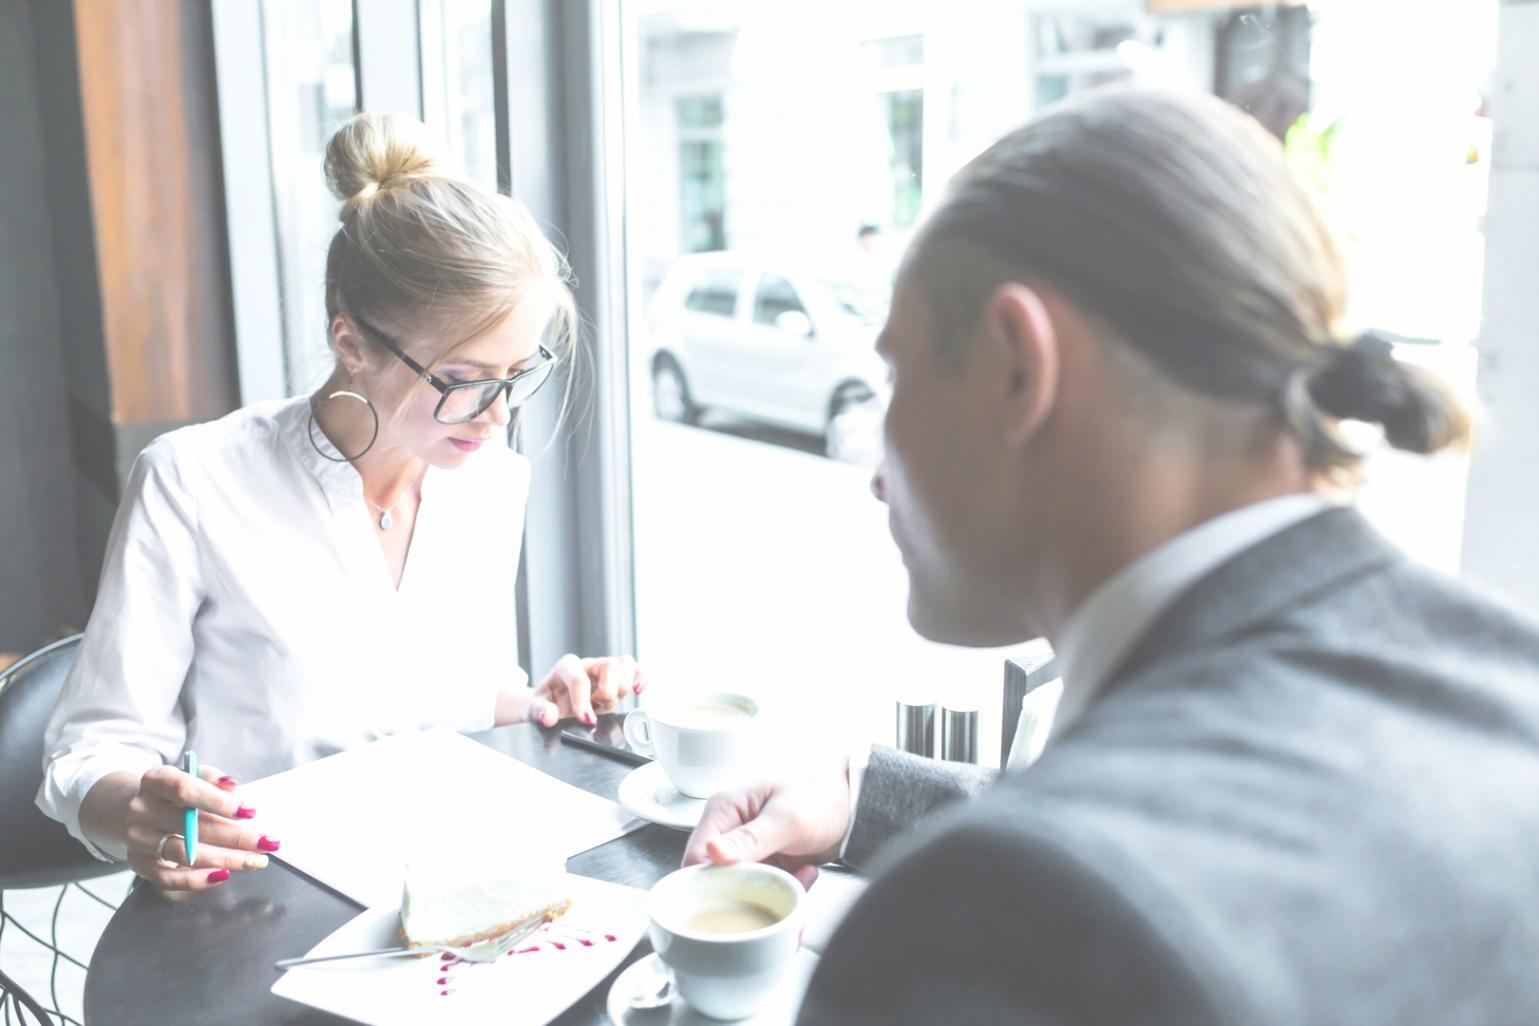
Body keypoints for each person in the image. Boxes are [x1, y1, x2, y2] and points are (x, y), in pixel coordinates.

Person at [685, 87, 1539, 1024]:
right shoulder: (1505, 678)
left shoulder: (999, 927)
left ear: (1019, 366)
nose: (877, 475)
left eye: (896, 374)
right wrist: (865, 799)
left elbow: (1104, 882)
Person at [37, 113, 645, 892]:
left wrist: (540, 701)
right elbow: (90, 750)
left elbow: (450, 694)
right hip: (259, 902)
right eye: (463, 382)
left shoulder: (490, 480)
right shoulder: (193, 482)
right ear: (351, 342)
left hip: (442, 886)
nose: (498, 416)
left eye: (518, 374)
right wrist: (141, 813)